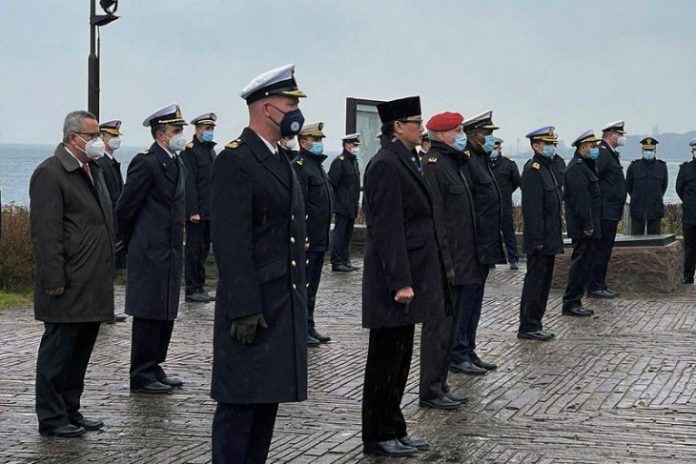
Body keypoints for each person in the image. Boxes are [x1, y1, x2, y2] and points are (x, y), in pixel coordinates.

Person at [210, 64, 309, 464]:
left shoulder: (279, 157)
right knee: (240, 404)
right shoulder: (235, 160)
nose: (295, 112)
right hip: (252, 305)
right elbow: (231, 242)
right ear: (267, 108)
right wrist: (245, 306)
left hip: (281, 299)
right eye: (290, 103)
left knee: (265, 400)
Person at [362, 96, 448, 457]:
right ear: (398, 126)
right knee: (384, 361)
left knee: (399, 361)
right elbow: (387, 230)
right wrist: (400, 281)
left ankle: (395, 427)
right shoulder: (384, 164)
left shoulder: (405, 159)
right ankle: (377, 433)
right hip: (392, 284)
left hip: (410, 278)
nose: (422, 127)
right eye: (416, 121)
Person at [31, 110, 115, 437]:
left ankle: (70, 410)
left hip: (92, 281)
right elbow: (46, 233)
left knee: (79, 354)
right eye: (92, 136)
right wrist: (54, 279)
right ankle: (51, 418)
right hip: (66, 283)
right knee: (57, 355)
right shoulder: (50, 174)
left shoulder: (92, 169)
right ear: (72, 138)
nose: (97, 142)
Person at [116, 104, 187, 394]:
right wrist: (136, 240)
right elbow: (125, 207)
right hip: (149, 250)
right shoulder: (146, 162)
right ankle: (141, 373)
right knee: (148, 313)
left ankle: (156, 365)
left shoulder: (176, 161)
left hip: (170, 250)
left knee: (166, 311)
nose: (180, 135)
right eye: (176, 131)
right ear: (161, 135)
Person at [420, 111, 480, 410]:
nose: (462, 135)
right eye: (457, 131)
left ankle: (440, 384)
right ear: (442, 135)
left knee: (450, 328)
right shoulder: (434, 166)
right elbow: (437, 221)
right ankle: (430, 389)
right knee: (438, 330)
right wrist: (446, 262)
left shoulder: (453, 165)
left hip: (459, 262)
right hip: (444, 264)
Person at [449, 110, 504, 376]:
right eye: (487, 134)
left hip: (484, 244)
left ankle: (469, 349)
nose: (492, 139)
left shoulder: (482, 160)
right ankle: (457, 352)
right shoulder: (468, 161)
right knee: (465, 302)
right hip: (470, 244)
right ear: (474, 135)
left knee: (475, 300)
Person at [518, 126, 564, 341]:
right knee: (535, 282)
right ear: (536, 146)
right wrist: (536, 240)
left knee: (544, 282)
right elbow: (533, 209)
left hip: (550, 236)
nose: (551, 147)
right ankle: (528, 325)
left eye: (553, 143)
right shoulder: (533, 170)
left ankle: (536, 322)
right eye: (547, 143)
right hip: (540, 240)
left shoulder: (548, 168)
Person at [293, 121, 333, 345]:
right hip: (308, 239)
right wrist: (303, 237)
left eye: (320, 140)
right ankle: (301, 328)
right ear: (304, 142)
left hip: (320, 237)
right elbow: (299, 206)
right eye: (315, 140)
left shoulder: (316, 166)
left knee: (312, 285)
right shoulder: (300, 166)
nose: (319, 143)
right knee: (304, 285)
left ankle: (309, 324)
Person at [562, 129, 602, 317]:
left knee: (586, 263)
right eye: (593, 147)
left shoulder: (587, 166)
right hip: (583, 227)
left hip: (590, 224)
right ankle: (571, 302)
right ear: (582, 147)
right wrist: (587, 225)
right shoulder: (577, 169)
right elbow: (581, 200)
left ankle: (576, 300)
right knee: (580, 264)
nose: (596, 150)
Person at [181, 112, 217, 303]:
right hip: (196, 213)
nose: (209, 132)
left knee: (204, 250)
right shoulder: (190, 151)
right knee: (194, 250)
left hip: (210, 211)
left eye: (211, 128)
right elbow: (190, 183)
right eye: (206, 128)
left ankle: (200, 286)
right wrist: (193, 210)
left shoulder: (210, 151)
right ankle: (192, 288)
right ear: (197, 130)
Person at [588, 120, 627, 299]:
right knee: (600, 250)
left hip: (611, 212)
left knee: (605, 250)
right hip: (604, 212)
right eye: (619, 134)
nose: (622, 138)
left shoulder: (611, 154)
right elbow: (595, 179)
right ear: (611, 135)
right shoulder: (603, 154)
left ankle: (601, 283)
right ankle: (595, 286)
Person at [96, 119, 128, 324]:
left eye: (117, 136)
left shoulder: (112, 162)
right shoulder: (101, 163)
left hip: (116, 219)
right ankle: (102, 310)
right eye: (112, 136)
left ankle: (107, 309)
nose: (115, 140)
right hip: (107, 220)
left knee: (111, 269)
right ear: (103, 138)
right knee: (104, 269)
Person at [328, 133, 362, 272]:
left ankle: (345, 260)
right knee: (340, 234)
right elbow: (332, 183)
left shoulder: (353, 161)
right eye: (354, 145)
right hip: (342, 206)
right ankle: (337, 261)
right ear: (347, 145)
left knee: (347, 235)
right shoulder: (339, 162)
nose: (356, 148)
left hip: (351, 205)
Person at [625, 137, 667, 235]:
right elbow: (629, 186)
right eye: (646, 150)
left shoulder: (661, 167)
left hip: (655, 210)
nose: (649, 152)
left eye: (651, 150)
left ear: (655, 150)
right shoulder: (634, 167)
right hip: (638, 209)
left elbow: (663, 187)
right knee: (636, 241)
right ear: (642, 150)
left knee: (655, 242)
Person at [490, 137, 521, 269]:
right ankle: (490, 259)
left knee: (508, 232)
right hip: (488, 205)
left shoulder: (508, 164)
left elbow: (516, 182)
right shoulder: (482, 163)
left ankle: (513, 259)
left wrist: (506, 192)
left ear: (500, 148)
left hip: (504, 204)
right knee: (489, 233)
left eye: (496, 148)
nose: (494, 150)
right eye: (492, 148)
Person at [675, 138, 696, 284]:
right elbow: (679, 188)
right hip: (691, 215)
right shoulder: (685, 169)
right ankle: (688, 276)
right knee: (690, 247)